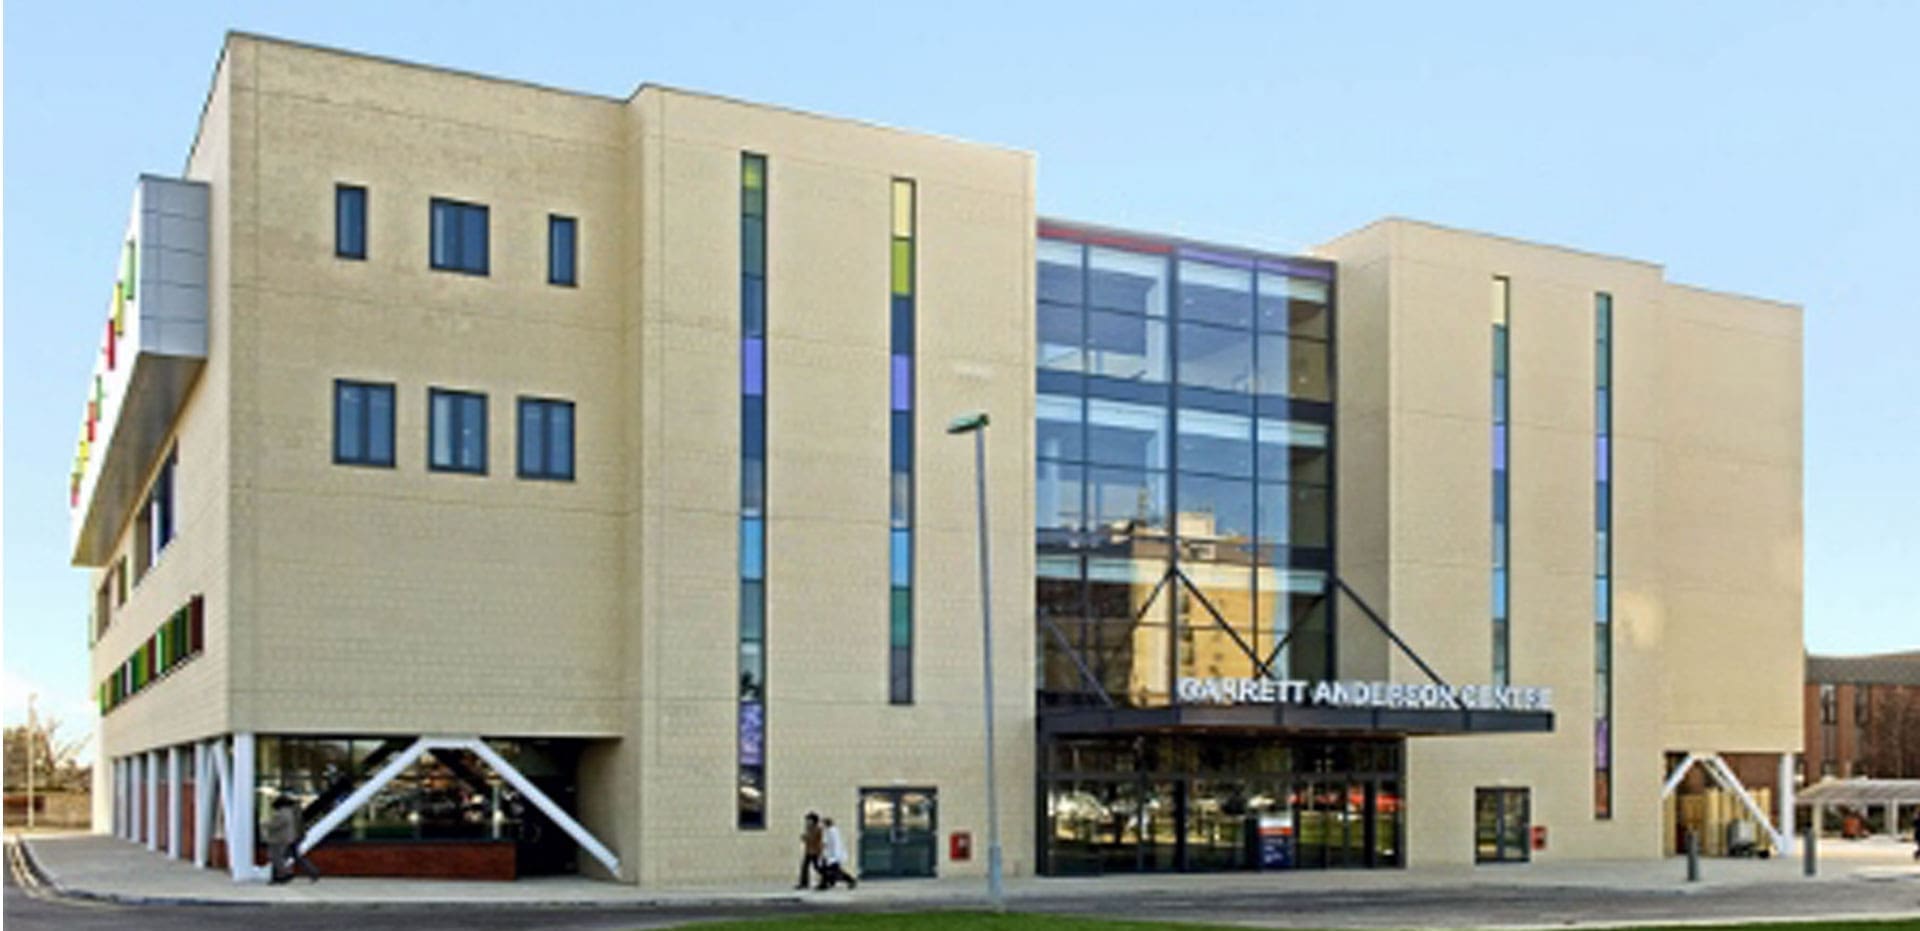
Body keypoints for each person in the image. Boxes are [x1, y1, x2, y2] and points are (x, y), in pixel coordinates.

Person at [267, 796, 322, 883]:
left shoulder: (289, 812)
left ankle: (282, 876)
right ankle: (313, 872)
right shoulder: (295, 810)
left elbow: (283, 824)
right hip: (294, 837)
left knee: (278, 857)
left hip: (290, 837)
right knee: (292, 857)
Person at [815, 816, 857, 890]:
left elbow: (828, 843)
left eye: (823, 823)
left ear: (826, 824)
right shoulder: (831, 831)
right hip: (830, 854)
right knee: (825, 869)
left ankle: (850, 880)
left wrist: (830, 854)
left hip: (832, 855)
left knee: (835, 871)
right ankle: (824, 883)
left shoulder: (830, 831)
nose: (821, 825)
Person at [796, 812, 824, 890]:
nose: (807, 822)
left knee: (817, 867)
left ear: (813, 821)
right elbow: (807, 839)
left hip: (815, 851)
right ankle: (804, 883)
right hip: (808, 851)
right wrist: (804, 838)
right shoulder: (808, 828)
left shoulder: (818, 829)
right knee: (804, 867)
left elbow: (818, 840)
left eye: (809, 820)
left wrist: (807, 838)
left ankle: (825, 879)